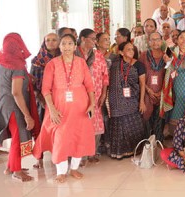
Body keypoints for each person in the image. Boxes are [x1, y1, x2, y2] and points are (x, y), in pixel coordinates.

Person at [32, 34, 94, 182]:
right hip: (58, 106)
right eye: (64, 44)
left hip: (80, 106)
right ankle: (61, 171)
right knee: (60, 137)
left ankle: (74, 168)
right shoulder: (52, 64)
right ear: (59, 47)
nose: (67, 47)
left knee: (79, 136)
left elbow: (89, 85)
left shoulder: (81, 63)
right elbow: (45, 89)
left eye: (70, 44)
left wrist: (92, 103)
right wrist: (52, 109)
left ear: (74, 46)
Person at [0, 33, 39, 182]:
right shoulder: (16, 65)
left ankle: (10, 167)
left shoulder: (2, 60)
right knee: (18, 137)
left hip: (4, 103)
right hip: (14, 106)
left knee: (17, 136)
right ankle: (17, 171)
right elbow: (16, 92)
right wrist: (27, 115)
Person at [106, 41, 147, 159]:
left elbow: (142, 84)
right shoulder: (114, 65)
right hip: (117, 102)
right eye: (128, 49)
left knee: (133, 124)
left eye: (132, 49)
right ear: (120, 52)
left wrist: (142, 101)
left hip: (132, 100)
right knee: (119, 125)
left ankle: (135, 149)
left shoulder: (138, 65)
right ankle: (120, 151)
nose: (131, 51)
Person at [75, 29, 109, 163]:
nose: (95, 41)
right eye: (93, 38)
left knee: (95, 123)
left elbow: (105, 74)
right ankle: (80, 156)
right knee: (81, 124)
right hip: (79, 96)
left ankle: (92, 152)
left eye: (96, 39)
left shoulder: (97, 55)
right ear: (83, 39)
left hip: (96, 95)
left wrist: (104, 93)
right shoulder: (74, 54)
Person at [139, 32, 167, 140]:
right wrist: (148, 90)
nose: (155, 42)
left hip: (162, 93)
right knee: (146, 118)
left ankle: (158, 143)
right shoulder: (143, 55)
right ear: (149, 42)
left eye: (158, 39)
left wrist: (162, 91)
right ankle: (147, 144)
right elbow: (139, 75)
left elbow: (168, 75)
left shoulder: (166, 55)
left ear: (161, 41)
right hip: (146, 91)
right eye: (152, 39)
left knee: (160, 118)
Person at [30, 33, 60, 126]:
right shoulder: (37, 61)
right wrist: (40, 98)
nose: (51, 42)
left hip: (61, 96)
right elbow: (32, 82)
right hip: (43, 98)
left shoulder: (63, 58)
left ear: (59, 42)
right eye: (48, 40)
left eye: (54, 40)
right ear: (44, 43)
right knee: (45, 124)